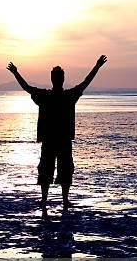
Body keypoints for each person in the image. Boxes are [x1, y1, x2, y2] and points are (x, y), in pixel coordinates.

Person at [7, 55, 107, 212]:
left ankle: (51, 200)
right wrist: (97, 66)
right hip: (59, 140)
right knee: (55, 168)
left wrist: (15, 73)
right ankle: (60, 200)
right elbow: (85, 83)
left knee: (58, 168)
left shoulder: (50, 96)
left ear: (53, 79)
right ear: (61, 79)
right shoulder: (65, 96)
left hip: (54, 140)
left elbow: (27, 88)